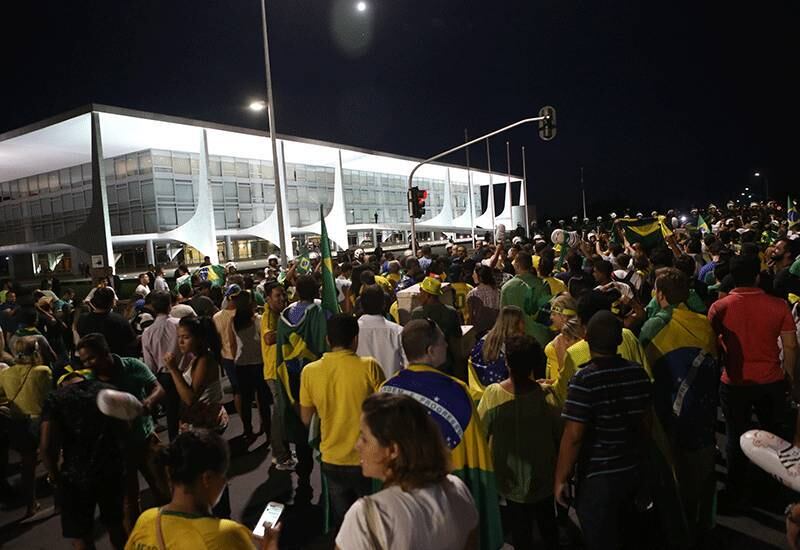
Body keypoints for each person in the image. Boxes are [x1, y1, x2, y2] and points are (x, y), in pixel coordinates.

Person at [381, 319, 503, 550]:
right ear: (430, 351)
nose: (447, 344)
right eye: (442, 341)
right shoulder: (457, 390)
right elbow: (476, 456)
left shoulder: (385, 390)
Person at [554, 311, 654, 550]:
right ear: (620, 340)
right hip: (632, 469)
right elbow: (646, 424)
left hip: (598, 476)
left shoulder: (584, 379)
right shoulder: (636, 373)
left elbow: (574, 436)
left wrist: (560, 478)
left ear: (585, 338)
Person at [708, 254, 798, 507]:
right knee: (772, 437)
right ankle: (772, 491)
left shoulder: (719, 308)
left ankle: (736, 492)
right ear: (757, 276)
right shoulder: (778, 305)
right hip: (771, 381)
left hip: (734, 382)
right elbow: (790, 346)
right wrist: (790, 380)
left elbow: (712, 344)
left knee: (737, 437)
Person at [335, 392, 479, 550]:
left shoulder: (369, 515)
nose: (357, 446)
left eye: (364, 438)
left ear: (393, 450)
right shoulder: (458, 490)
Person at [639, 268, 719, 544]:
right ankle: (703, 525)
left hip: (667, 409)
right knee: (702, 470)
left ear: (659, 294)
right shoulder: (703, 322)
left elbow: (644, 365)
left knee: (672, 473)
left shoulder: (655, 325)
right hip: (704, 407)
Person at [299, 314, 385, 530]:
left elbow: (306, 418)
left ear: (328, 339)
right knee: (373, 521)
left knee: (346, 525)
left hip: (331, 458)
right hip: (366, 458)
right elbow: (386, 410)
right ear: (355, 339)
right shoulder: (370, 366)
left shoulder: (309, 372)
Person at [76, 333, 169, 530]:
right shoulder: (87, 382)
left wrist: (149, 402)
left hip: (146, 439)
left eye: (91, 358)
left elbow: (158, 388)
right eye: (83, 360)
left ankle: (172, 533)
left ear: (105, 352)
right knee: (129, 502)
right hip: (117, 450)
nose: (87, 364)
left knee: (164, 491)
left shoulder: (132, 365)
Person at [478, 335, 560, 549]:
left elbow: (481, 432)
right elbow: (559, 432)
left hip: (507, 480)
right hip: (544, 476)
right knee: (548, 529)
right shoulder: (546, 395)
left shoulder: (493, 394)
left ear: (507, 362)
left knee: (520, 534)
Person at [125, 430, 271, 549]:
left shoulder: (146, 520)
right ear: (207, 478)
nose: (225, 481)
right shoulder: (225, 536)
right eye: (224, 475)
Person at [40, 369, 129, 550]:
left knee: (81, 534)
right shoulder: (107, 390)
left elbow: (47, 446)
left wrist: (54, 475)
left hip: (75, 475)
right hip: (110, 468)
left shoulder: (56, 399)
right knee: (116, 526)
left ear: (61, 384)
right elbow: (125, 427)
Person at [163, 316, 231, 516]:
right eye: (179, 337)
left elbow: (189, 397)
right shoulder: (197, 358)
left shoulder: (205, 360)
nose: (180, 342)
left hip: (205, 426)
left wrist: (173, 369)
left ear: (199, 338)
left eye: (185, 337)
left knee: (208, 473)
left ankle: (217, 514)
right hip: (201, 423)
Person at [0, 337, 52, 518]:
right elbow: (49, 396)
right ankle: (61, 497)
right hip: (40, 420)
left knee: (27, 464)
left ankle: (31, 504)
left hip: (17, 421)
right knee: (51, 458)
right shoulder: (42, 371)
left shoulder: (6, 373)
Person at [260, 281, 295, 471]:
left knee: (282, 412)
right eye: (277, 296)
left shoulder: (278, 313)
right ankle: (279, 455)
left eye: (283, 294)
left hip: (280, 369)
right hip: (274, 372)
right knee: (279, 414)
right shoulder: (268, 315)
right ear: (268, 298)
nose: (282, 298)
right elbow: (268, 337)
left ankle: (284, 452)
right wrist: (292, 329)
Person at [141, 291, 182, 440]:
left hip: (163, 376)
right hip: (184, 372)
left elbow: (149, 363)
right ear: (170, 305)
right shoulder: (179, 324)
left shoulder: (147, 332)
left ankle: (174, 444)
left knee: (172, 415)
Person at [232, 291, 271, 445]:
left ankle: (248, 430)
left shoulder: (234, 321)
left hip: (241, 364)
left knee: (246, 401)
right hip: (258, 362)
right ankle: (267, 431)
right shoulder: (260, 320)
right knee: (263, 401)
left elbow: (232, 344)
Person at [467, 305, 526, 401]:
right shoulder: (513, 346)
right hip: (505, 396)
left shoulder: (484, 341)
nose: (524, 325)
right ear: (515, 324)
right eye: (522, 322)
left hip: (481, 395)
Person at [410, 277, 462, 377]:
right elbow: (456, 340)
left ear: (428, 295)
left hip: (425, 366)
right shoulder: (451, 312)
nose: (419, 294)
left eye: (421, 291)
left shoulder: (417, 313)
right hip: (446, 363)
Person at [500, 251, 552, 347]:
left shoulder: (506, 288)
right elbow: (547, 314)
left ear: (517, 265)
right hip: (541, 339)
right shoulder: (543, 285)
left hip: (517, 342)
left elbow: (503, 318)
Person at [356, 284, 405, 379]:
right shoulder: (398, 331)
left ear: (361, 304)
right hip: (391, 391)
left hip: (359, 390)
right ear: (384, 304)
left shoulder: (351, 331)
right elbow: (407, 365)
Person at [213, 284, 243, 424]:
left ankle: (245, 423)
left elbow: (216, 340)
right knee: (252, 390)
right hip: (244, 357)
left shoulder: (217, 317)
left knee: (238, 390)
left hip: (227, 357)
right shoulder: (243, 314)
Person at [76, 287, 136, 356]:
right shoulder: (120, 320)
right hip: (114, 360)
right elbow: (131, 341)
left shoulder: (83, 319)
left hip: (90, 360)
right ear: (111, 301)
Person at [543, 294, 577, 385]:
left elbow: (565, 375)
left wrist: (549, 384)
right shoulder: (576, 336)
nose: (551, 317)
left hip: (558, 390)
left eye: (554, 314)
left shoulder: (562, 340)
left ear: (564, 317)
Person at [466, 265, 501, 337]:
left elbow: (470, 316)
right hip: (495, 328)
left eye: (474, 274)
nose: (472, 276)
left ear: (480, 277)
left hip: (478, 331)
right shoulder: (498, 292)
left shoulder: (473, 294)